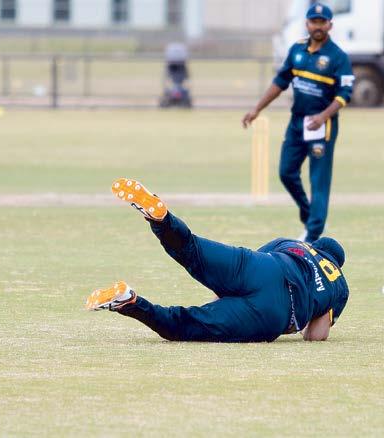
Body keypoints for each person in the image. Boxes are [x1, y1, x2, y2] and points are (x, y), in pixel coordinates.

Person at [86, 177, 349, 343]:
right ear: (336, 264)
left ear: (316, 247)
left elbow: (249, 267)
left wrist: (222, 291)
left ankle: (161, 219)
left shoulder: (295, 244)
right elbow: (316, 335)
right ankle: (129, 301)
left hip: (264, 267)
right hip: (276, 312)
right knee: (185, 325)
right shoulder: (340, 287)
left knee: (192, 250)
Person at [242, 3, 355, 243]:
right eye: (314, 21)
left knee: (318, 181)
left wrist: (323, 116)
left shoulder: (338, 57)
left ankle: (312, 234)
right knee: (286, 172)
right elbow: (280, 82)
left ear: (330, 25)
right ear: (307, 24)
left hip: (322, 126)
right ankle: (309, 213)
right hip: (297, 123)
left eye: (322, 22)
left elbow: (345, 94)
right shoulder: (297, 50)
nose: (318, 26)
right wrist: (257, 109)